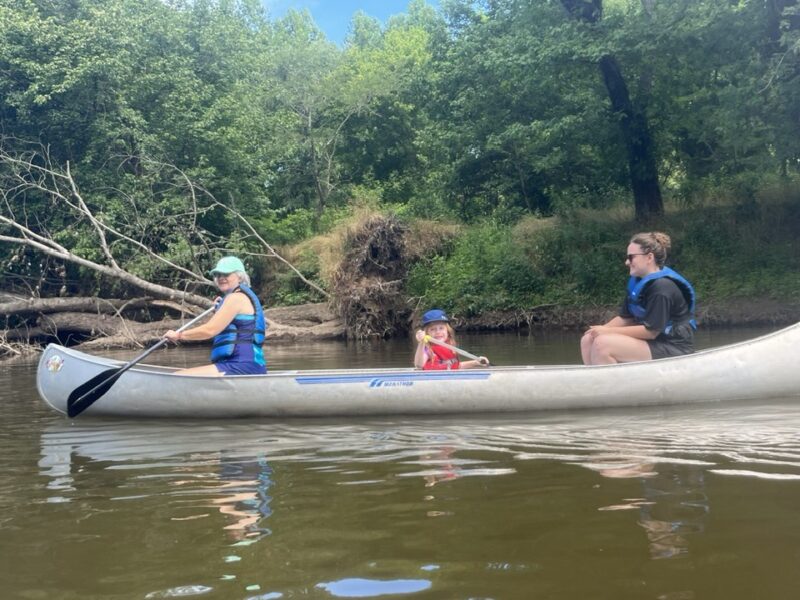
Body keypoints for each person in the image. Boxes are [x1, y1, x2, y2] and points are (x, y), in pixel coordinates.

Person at [581, 232, 696, 365]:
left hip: (674, 347)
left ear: (649, 257)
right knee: (588, 339)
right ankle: (596, 382)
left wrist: (607, 331)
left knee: (603, 344)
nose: (626, 262)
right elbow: (626, 318)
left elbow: (651, 331)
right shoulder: (638, 282)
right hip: (654, 343)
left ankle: (608, 384)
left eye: (631, 257)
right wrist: (597, 331)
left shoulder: (662, 287)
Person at [164, 256, 267, 376]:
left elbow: (210, 330)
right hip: (243, 365)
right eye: (218, 274)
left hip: (241, 366)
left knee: (178, 376)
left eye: (226, 274)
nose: (221, 278)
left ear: (240, 276)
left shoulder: (235, 298)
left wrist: (179, 335)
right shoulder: (235, 297)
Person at [413, 309, 489, 369]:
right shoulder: (427, 349)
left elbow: (456, 367)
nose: (438, 332)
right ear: (427, 333)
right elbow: (419, 365)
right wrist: (421, 342)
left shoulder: (451, 346)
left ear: (447, 331)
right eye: (433, 329)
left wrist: (475, 362)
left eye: (441, 328)